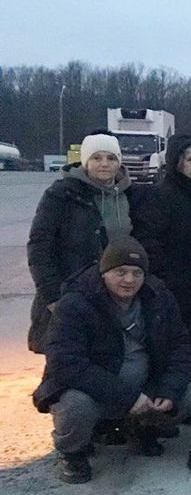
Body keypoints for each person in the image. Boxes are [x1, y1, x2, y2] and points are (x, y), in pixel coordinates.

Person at [33, 238, 191, 483]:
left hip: (145, 388)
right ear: (104, 273)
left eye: (137, 273)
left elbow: (179, 345)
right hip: (95, 392)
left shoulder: (159, 297)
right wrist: (126, 396)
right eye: (120, 272)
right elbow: (65, 363)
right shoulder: (75, 303)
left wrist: (168, 390)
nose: (129, 280)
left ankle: (140, 428)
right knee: (75, 408)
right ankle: (73, 452)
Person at [28, 133, 147, 354]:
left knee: (112, 357)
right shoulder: (61, 195)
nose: (104, 164)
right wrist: (52, 295)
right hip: (71, 292)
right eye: (97, 158)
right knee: (68, 360)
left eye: (111, 158)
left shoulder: (132, 195)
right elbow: (39, 247)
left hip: (117, 293)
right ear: (85, 161)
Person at [132, 134, 191, 383]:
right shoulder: (162, 196)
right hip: (174, 287)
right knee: (175, 347)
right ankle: (175, 398)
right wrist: (166, 277)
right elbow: (148, 240)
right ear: (178, 162)